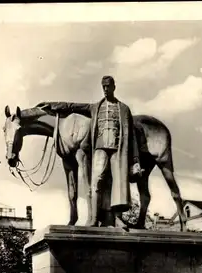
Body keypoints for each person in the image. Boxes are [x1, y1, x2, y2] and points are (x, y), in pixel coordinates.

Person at [40, 76, 142, 226]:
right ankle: (93, 218)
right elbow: (73, 106)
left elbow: (131, 137)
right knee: (96, 181)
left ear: (114, 87)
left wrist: (135, 161)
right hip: (100, 149)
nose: (106, 89)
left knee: (117, 183)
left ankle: (116, 218)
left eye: (108, 86)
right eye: (103, 87)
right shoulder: (95, 107)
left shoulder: (124, 109)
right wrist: (53, 105)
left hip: (117, 150)